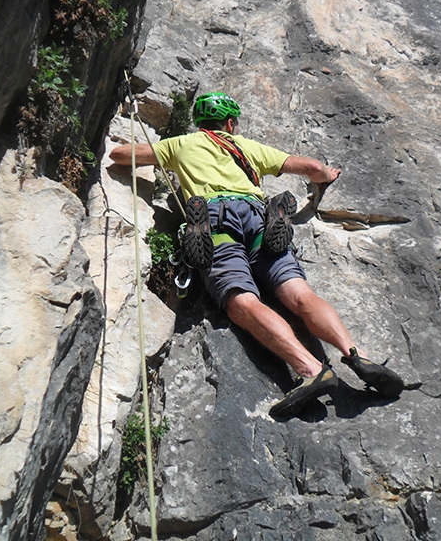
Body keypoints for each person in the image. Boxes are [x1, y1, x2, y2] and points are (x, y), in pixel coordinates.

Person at [109, 92, 403, 418]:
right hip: (256, 216)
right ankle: (355, 353)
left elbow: (120, 154)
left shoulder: (182, 144)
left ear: (200, 123)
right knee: (299, 293)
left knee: (242, 302)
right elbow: (312, 167)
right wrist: (327, 175)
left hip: (216, 220)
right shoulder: (246, 148)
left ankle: (310, 369)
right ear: (230, 124)